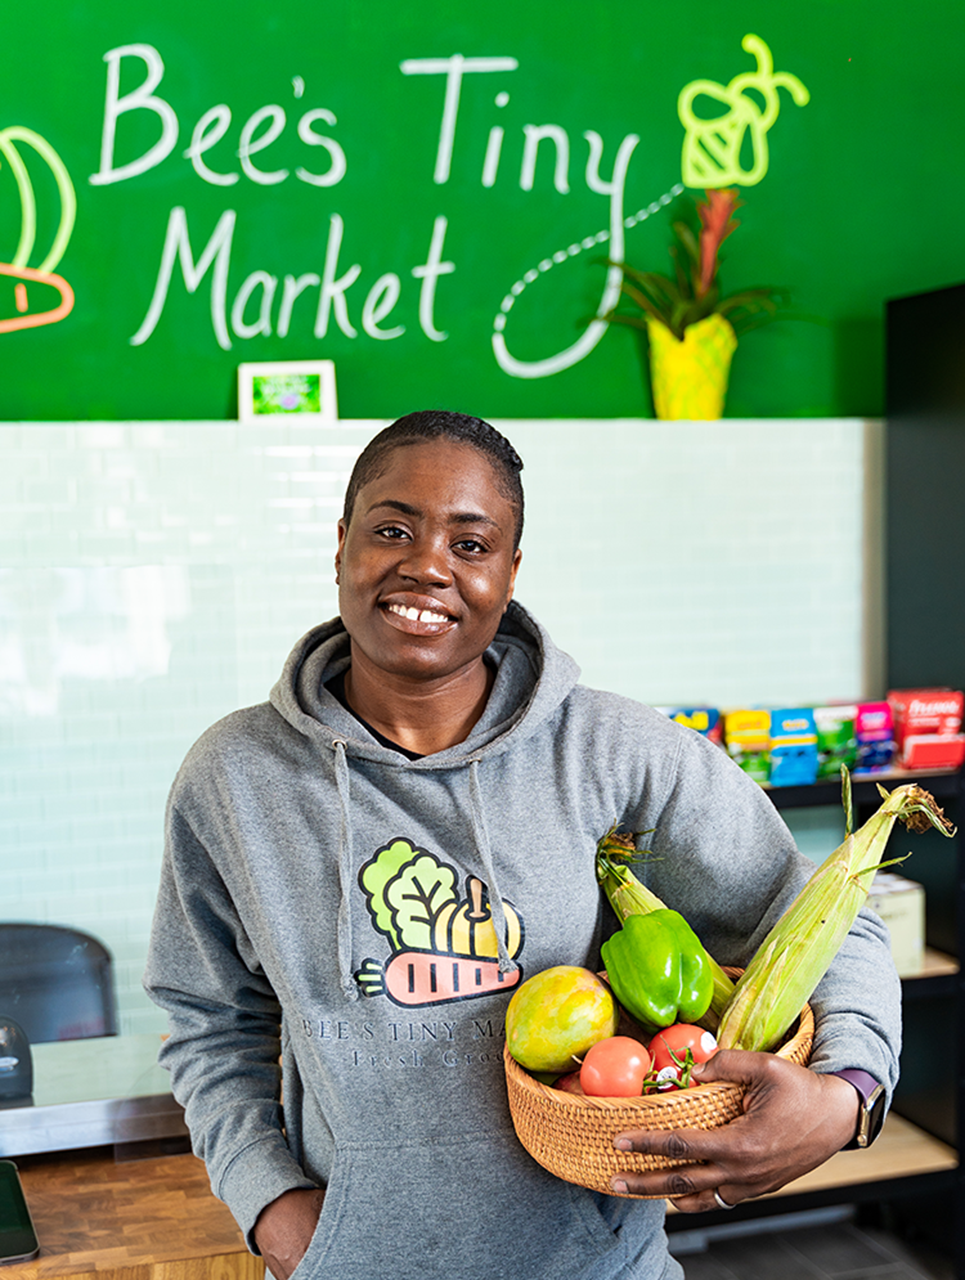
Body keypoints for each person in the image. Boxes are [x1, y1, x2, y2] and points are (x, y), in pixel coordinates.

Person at [144, 410, 900, 1280]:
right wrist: (269, 1201)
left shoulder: (616, 753)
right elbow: (209, 1018)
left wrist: (848, 1095)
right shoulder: (234, 777)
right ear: (342, 544)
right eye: (393, 529)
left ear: (508, 574)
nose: (427, 564)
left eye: (471, 544)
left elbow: (822, 921)